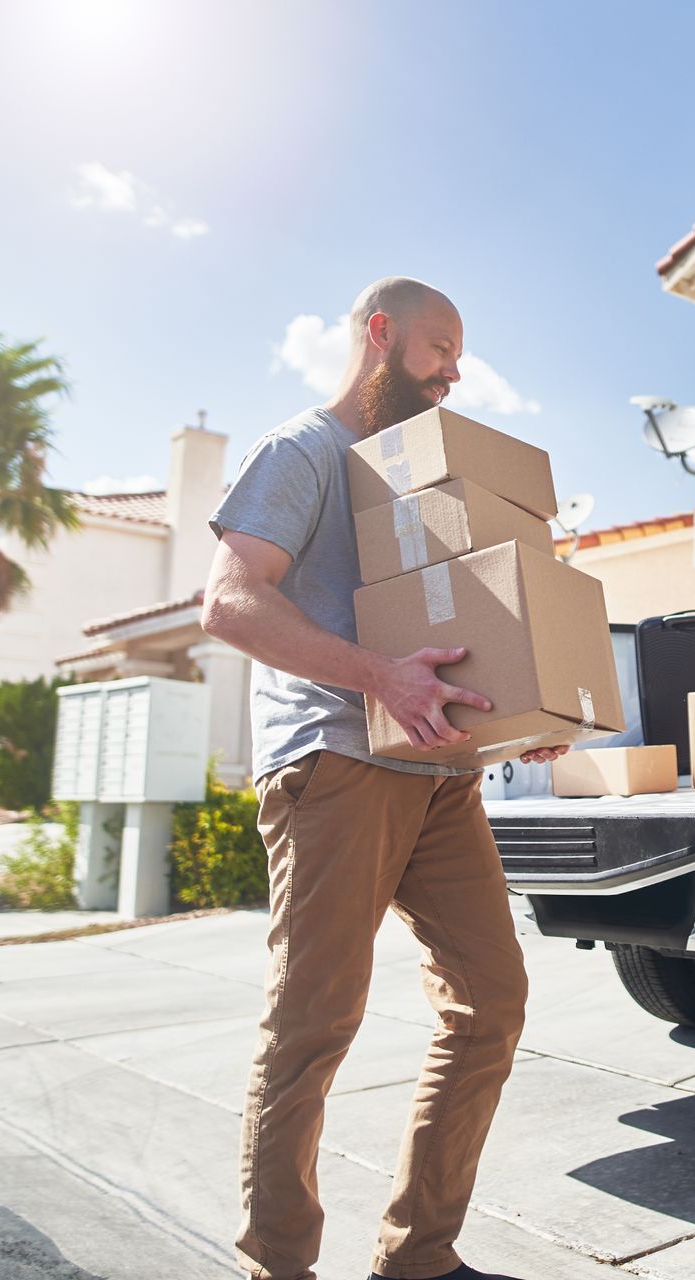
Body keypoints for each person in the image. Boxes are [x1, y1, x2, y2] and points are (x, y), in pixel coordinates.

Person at [202, 276, 565, 1280]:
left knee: (491, 998)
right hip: (333, 765)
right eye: (439, 347)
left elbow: (449, 638)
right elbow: (230, 602)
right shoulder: (304, 451)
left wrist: (524, 709)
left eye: (458, 354)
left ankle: (419, 1256)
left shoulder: (419, 483)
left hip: (440, 772)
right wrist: (375, 676)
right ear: (379, 334)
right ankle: (277, 1264)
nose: (455, 369)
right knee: (314, 1021)